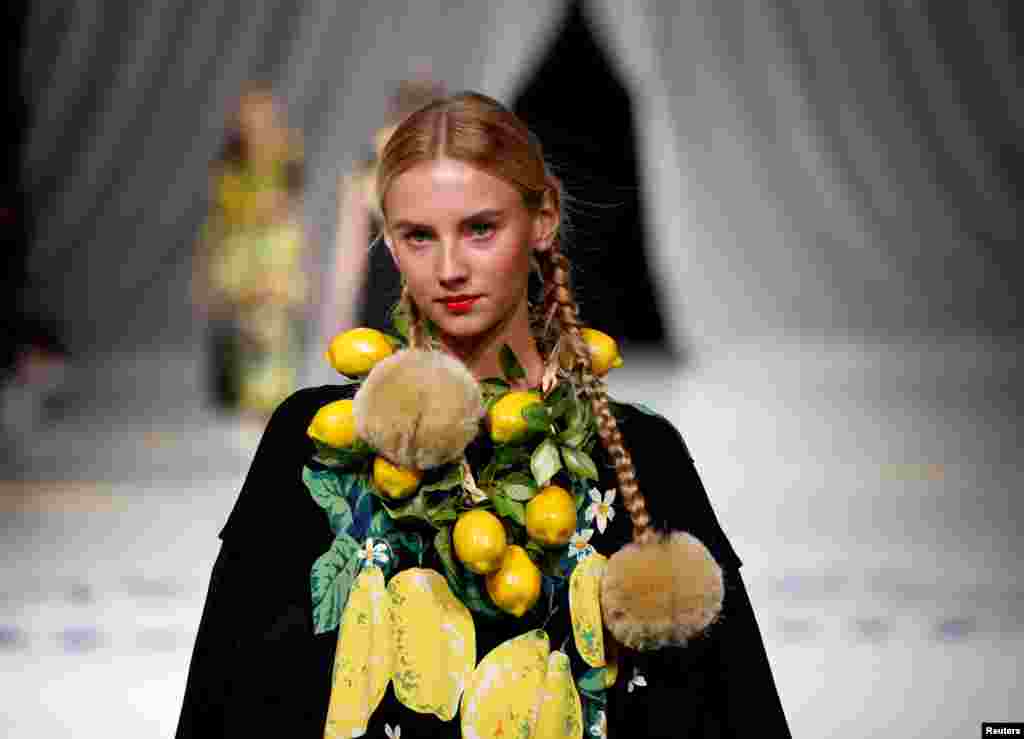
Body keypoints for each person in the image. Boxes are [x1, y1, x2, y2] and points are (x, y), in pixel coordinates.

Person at [177, 92, 790, 738]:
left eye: (480, 229)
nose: (449, 269)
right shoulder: (317, 448)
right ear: (387, 235)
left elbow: (725, 713)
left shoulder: (637, 454)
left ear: (544, 216)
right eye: (418, 235)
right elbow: (231, 705)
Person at [193, 83, 310, 418]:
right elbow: (220, 212)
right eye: (249, 114)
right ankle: (248, 396)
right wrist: (206, 266)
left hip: (276, 247)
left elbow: (291, 204)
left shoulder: (287, 152)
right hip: (239, 248)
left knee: (275, 323)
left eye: (262, 113)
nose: (256, 121)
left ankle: (275, 396)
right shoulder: (230, 161)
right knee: (246, 324)